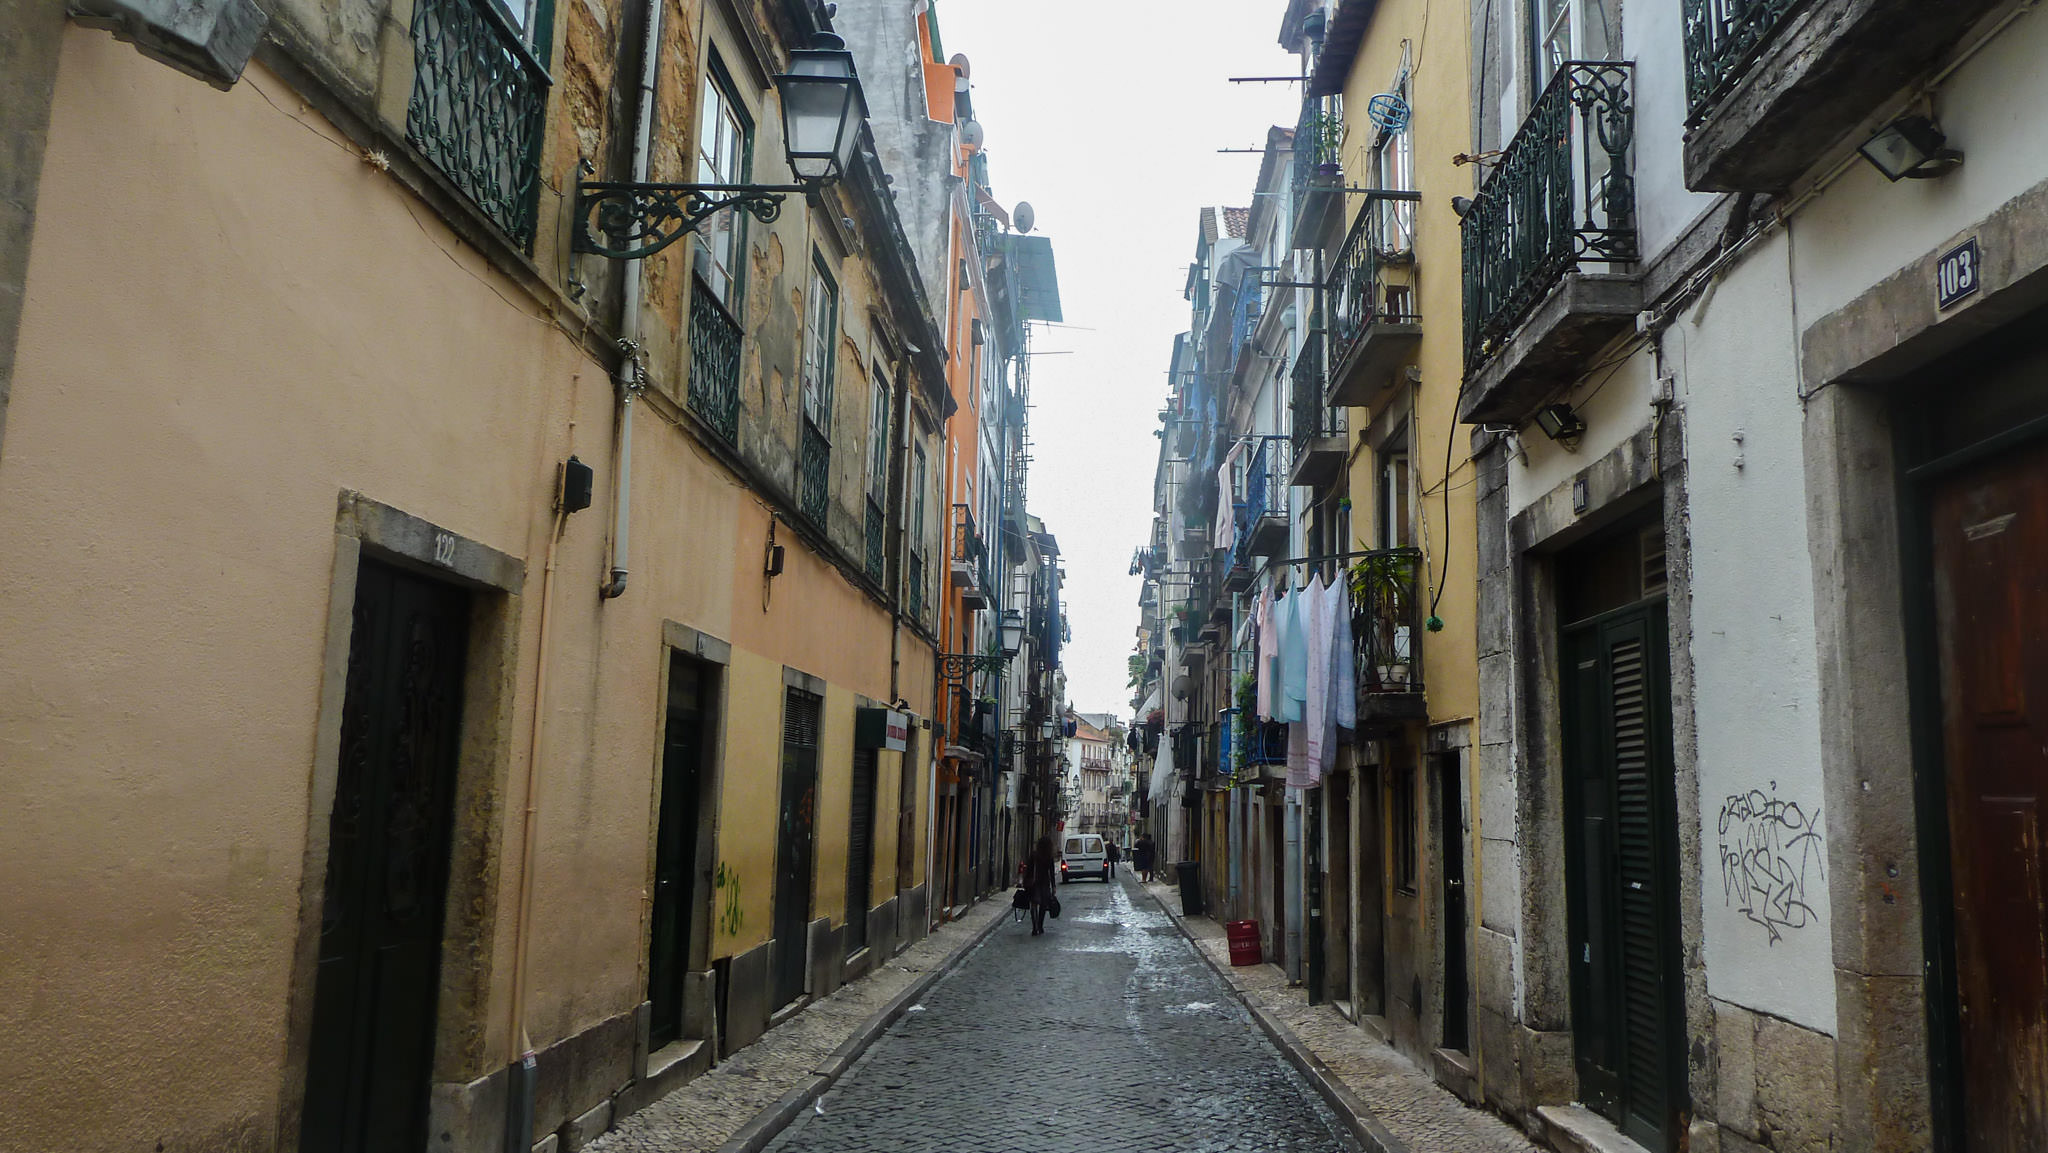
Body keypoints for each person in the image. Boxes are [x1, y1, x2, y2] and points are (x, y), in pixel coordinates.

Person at [1024, 835, 1058, 936]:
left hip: (1034, 883)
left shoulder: (1034, 855)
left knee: (1034, 905)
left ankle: (1034, 927)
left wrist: (1026, 880)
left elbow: (1029, 869)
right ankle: (1040, 926)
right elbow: (1051, 873)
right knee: (1043, 905)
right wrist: (1054, 886)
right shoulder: (1049, 857)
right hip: (1045, 883)